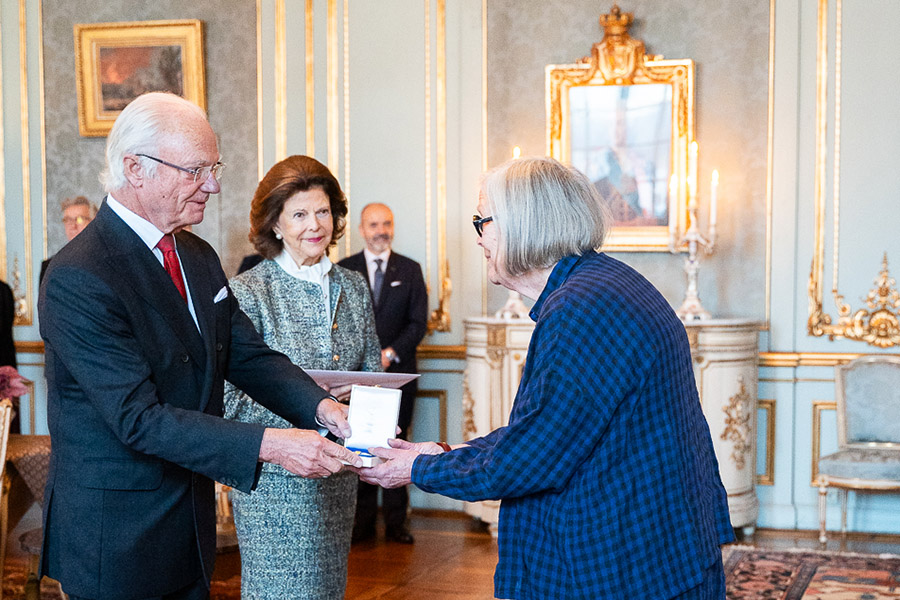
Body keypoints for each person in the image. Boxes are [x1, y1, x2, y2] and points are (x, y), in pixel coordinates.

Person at [355, 156, 734, 600]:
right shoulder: (602, 283)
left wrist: (419, 467)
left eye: (483, 221)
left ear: (524, 223)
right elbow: (542, 432)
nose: (479, 238)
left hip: (624, 567)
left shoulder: (581, 309)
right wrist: (438, 450)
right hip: (658, 550)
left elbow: (532, 458)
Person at [38, 93, 362, 600]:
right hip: (116, 537)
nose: (212, 185)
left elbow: (246, 355)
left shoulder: (196, 253)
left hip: (189, 521)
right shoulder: (79, 275)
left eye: (214, 167)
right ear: (135, 168)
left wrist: (322, 409)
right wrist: (271, 445)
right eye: (195, 170)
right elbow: (137, 418)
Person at [224, 155, 382, 599]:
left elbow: (372, 373)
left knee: (328, 590)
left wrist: (375, 424)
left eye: (323, 211)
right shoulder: (248, 292)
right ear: (275, 225)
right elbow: (231, 403)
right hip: (276, 482)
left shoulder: (353, 286)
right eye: (299, 214)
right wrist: (315, 401)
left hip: (340, 476)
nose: (315, 224)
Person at [339, 203, 427, 544]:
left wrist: (388, 355)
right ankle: (360, 525)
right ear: (362, 229)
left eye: (386, 223)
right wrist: (365, 360)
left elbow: (418, 323)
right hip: (356, 377)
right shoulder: (344, 269)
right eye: (374, 224)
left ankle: (396, 524)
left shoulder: (411, 269)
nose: (381, 230)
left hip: (399, 375)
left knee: (396, 444)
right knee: (358, 444)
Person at [39, 195, 98, 284]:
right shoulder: (50, 266)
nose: (73, 226)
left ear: (94, 222)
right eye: (68, 220)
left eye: (80, 219)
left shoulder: (107, 262)